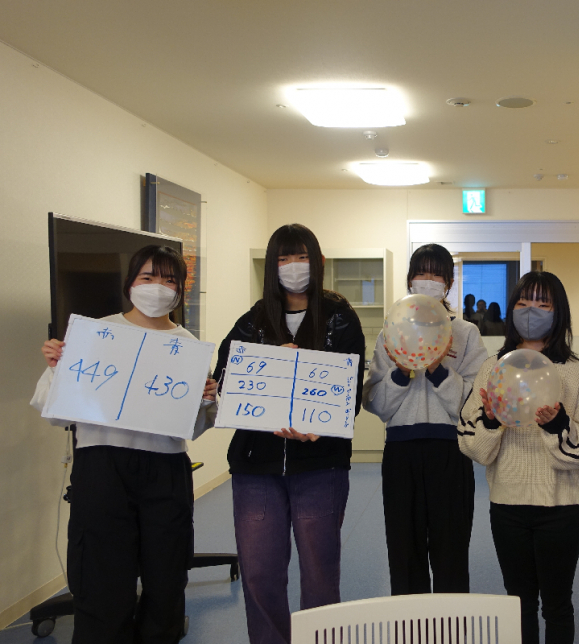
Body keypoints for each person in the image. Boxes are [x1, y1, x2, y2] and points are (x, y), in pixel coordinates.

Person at [31, 245, 217, 644]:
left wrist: (206, 401)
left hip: (165, 471)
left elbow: (191, 428)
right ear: (130, 283)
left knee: (166, 579)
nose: (158, 287)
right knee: (101, 580)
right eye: (148, 277)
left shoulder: (188, 345)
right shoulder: (95, 333)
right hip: (103, 468)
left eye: (169, 280)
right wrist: (58, 370)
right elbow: (54, 411)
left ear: (180, 290)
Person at [213, 224, 365, 644]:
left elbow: (349, 392)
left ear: (317, 262)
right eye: (283, 258)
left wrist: (321, 429)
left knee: (320, 573)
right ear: (271, 266)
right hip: (256, 467)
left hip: (321, 465)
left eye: (301, 257)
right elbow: (225, 378)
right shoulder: (253, 320)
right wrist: (268, 361)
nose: (293, 267)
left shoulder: (340, 318)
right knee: (259, 572)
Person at [459, 271, 579, 644]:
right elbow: (471, 444)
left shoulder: (573, 372)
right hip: (507, 507)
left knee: (557, 605)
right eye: (523, 302)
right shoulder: (493, 369)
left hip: (560, 507)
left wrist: (557, 425)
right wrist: (493, 420)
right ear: (511, 309)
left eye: (543, 303)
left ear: (559, 312)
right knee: (519, 604)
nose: (531, 311)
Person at [362, 243, 488, 595]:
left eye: (436, 274)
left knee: (451, 555)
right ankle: (410, 622)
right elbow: (376, 403)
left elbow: (473, 404)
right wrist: (402, 371)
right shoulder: (391, 332)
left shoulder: (465, 333)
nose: (428, 280)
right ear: (410, 280)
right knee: (404, 553)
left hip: (451, 453)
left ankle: (451, 623)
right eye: (421, 272)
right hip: (401, 453)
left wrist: (436, 367)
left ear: (448, 283)